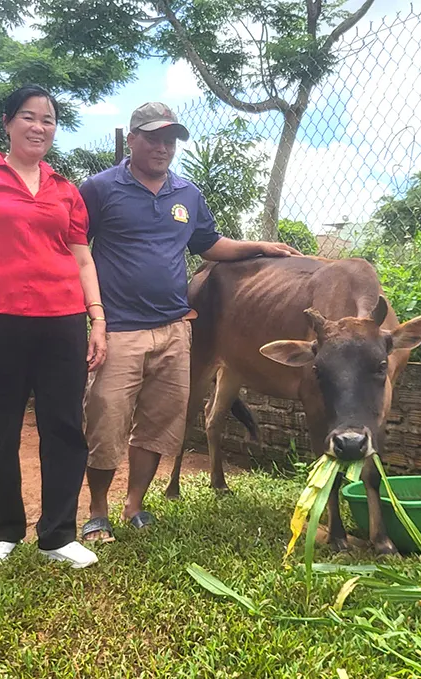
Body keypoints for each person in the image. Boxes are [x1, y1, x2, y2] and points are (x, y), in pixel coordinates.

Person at [79, 102, 302, 543]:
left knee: (161, 423)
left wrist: (262, 247)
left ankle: (136, 505)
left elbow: (209, 245)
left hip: (176, 328)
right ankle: (97, 510)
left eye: (170, 140)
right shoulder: (100, 189)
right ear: (132, 140)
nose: (162, 147)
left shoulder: (187, 194)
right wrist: (91, 315)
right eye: (153, 138)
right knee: (106, 421)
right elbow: (76, 250)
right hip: (120, 328)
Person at [0, 85, 107, 571]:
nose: (39, 127)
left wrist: (97, 318)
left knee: (63, 427)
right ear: (8, 123)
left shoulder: (65, 191)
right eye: (29, 117)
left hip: (62, 322)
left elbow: (82, 258)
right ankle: (3, 531)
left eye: (48, 120)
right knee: (3, 426)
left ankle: (58, 534)